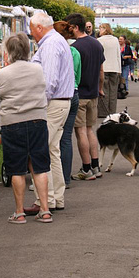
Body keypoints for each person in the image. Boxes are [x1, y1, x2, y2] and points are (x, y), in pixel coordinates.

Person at [0, 33, 52, 223]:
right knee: (39, 167)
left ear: (8, 52)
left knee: (16, 169)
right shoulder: (38, 69)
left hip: (12, 123)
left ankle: (19, 212)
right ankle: (45, 210)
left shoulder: (2, 73)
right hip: (38, 121)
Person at [26, 11, 73, 214]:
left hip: (53, 103)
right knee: (52, 151)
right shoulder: (54, 41)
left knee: (40, 151)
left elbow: (50, 79)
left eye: (31, 30)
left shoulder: (51, 43)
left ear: (39, 27)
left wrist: (40, 104)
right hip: (59, 103)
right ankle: (55, 198)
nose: (31, 34)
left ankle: (44, 200)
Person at [66, 13, 105, 181]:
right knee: (90, 129)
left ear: (75, 27)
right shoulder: (97, 44)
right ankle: (96, 165)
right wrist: (100, 88)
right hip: (93, 93)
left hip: (80, 94)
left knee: (80, 131)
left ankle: (86, 167)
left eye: (69, 28)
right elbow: (101, 72)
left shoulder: (75, 48)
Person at [53, 21, 81, 189]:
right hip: (74, 92)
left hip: (60, 96)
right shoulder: (75, 51)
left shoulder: (57, 49)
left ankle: (55, 179)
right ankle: (65, 177)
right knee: (67, 138)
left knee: (53, 140)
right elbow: (78, 75)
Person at [97, 23, 121, 118]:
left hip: (104, 68)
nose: (99, 31)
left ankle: (103, 112)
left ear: (104, 29)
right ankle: (112, 111)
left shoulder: (99, 41)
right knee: (113, 91)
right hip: (114, 68)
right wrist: (119, 70)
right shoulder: (115, 40)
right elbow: (118, 55)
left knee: (103, 90)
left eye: (100, 28)